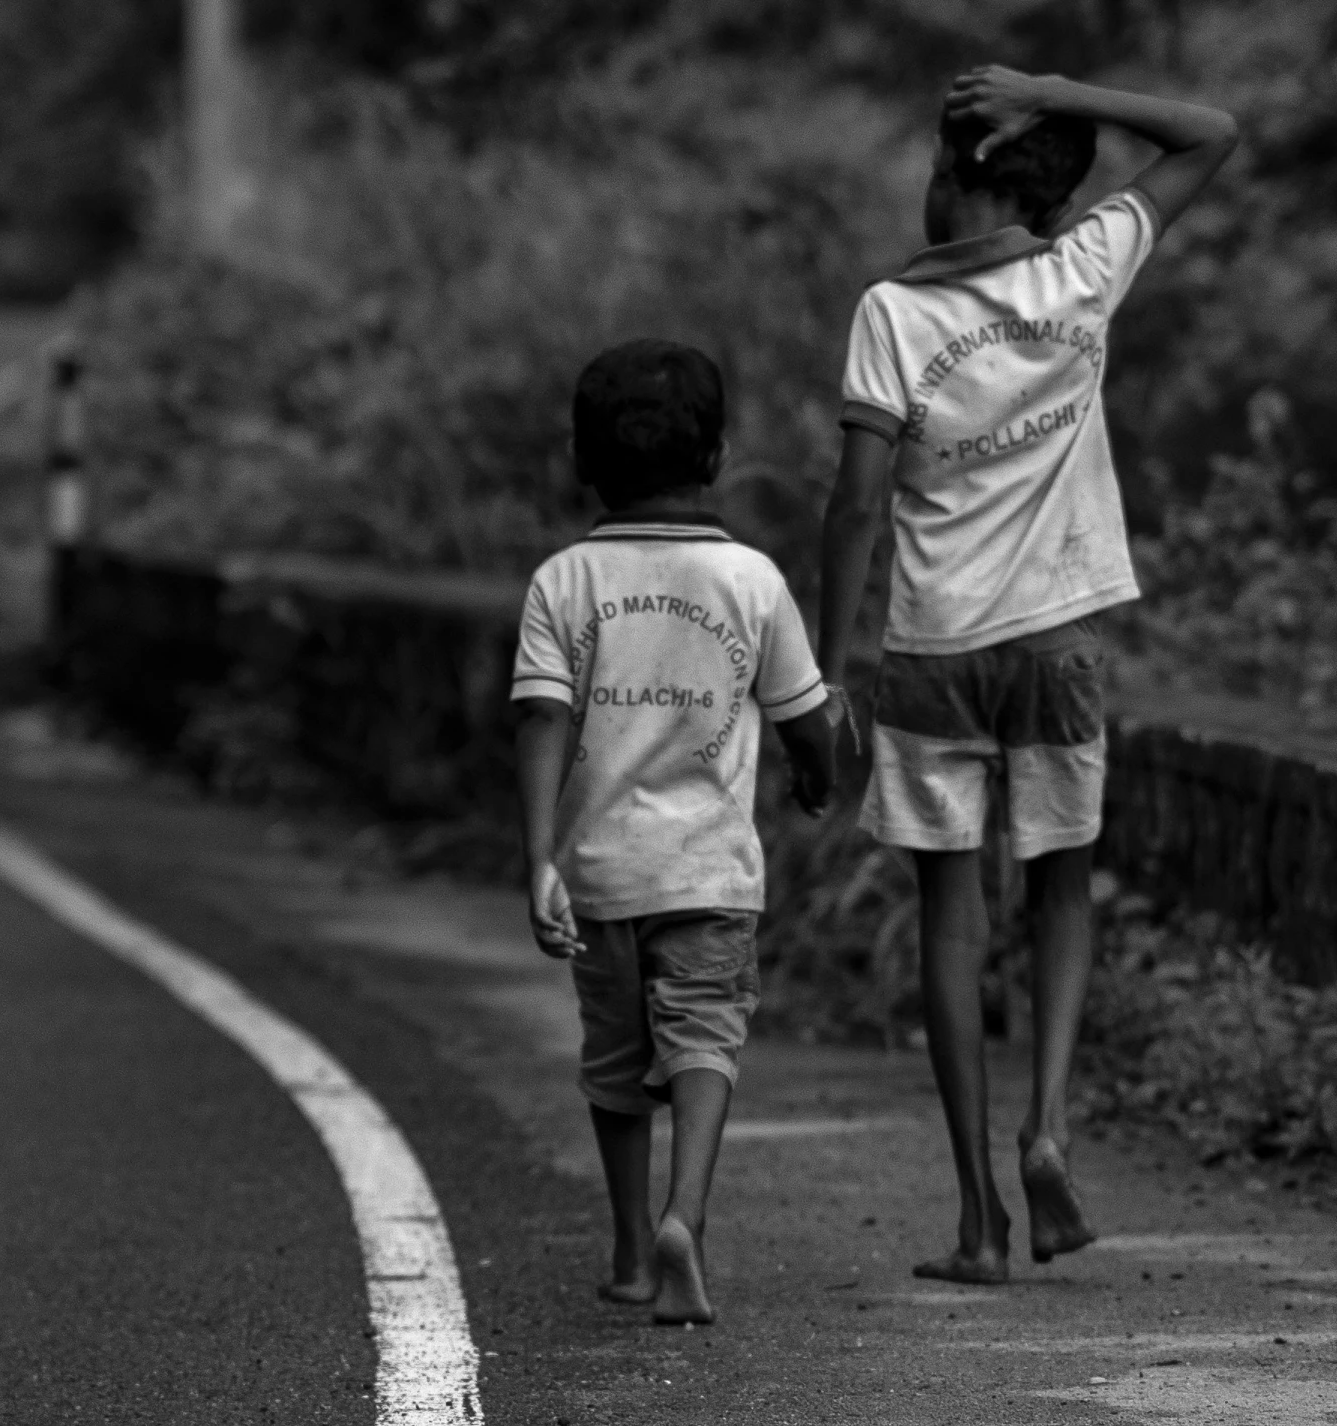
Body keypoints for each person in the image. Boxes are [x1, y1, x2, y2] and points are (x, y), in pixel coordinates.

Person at [815, 66, 1238, 1283]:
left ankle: (977, 1221)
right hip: (1056, 646)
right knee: (1060, 886)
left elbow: (854, 505)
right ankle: (1046, 1127)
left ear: (959, 175)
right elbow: (1211, 129)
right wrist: (1055, 90)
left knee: (953, 914)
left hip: (936, 652)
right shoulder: (1082, 265)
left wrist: (828, 666)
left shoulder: (889, 315)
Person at [513, 338, 839, 1325]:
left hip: (600, 874)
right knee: (703, 1038)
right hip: (708, 871)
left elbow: (540, 717)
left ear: (582, 459)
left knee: (614, 1066)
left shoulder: (562, 581)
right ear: (717, 455)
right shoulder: (751, 579)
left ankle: (624, 1251)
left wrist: (537, 859)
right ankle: (683, 1215)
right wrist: (816, 779)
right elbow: (803, 716)